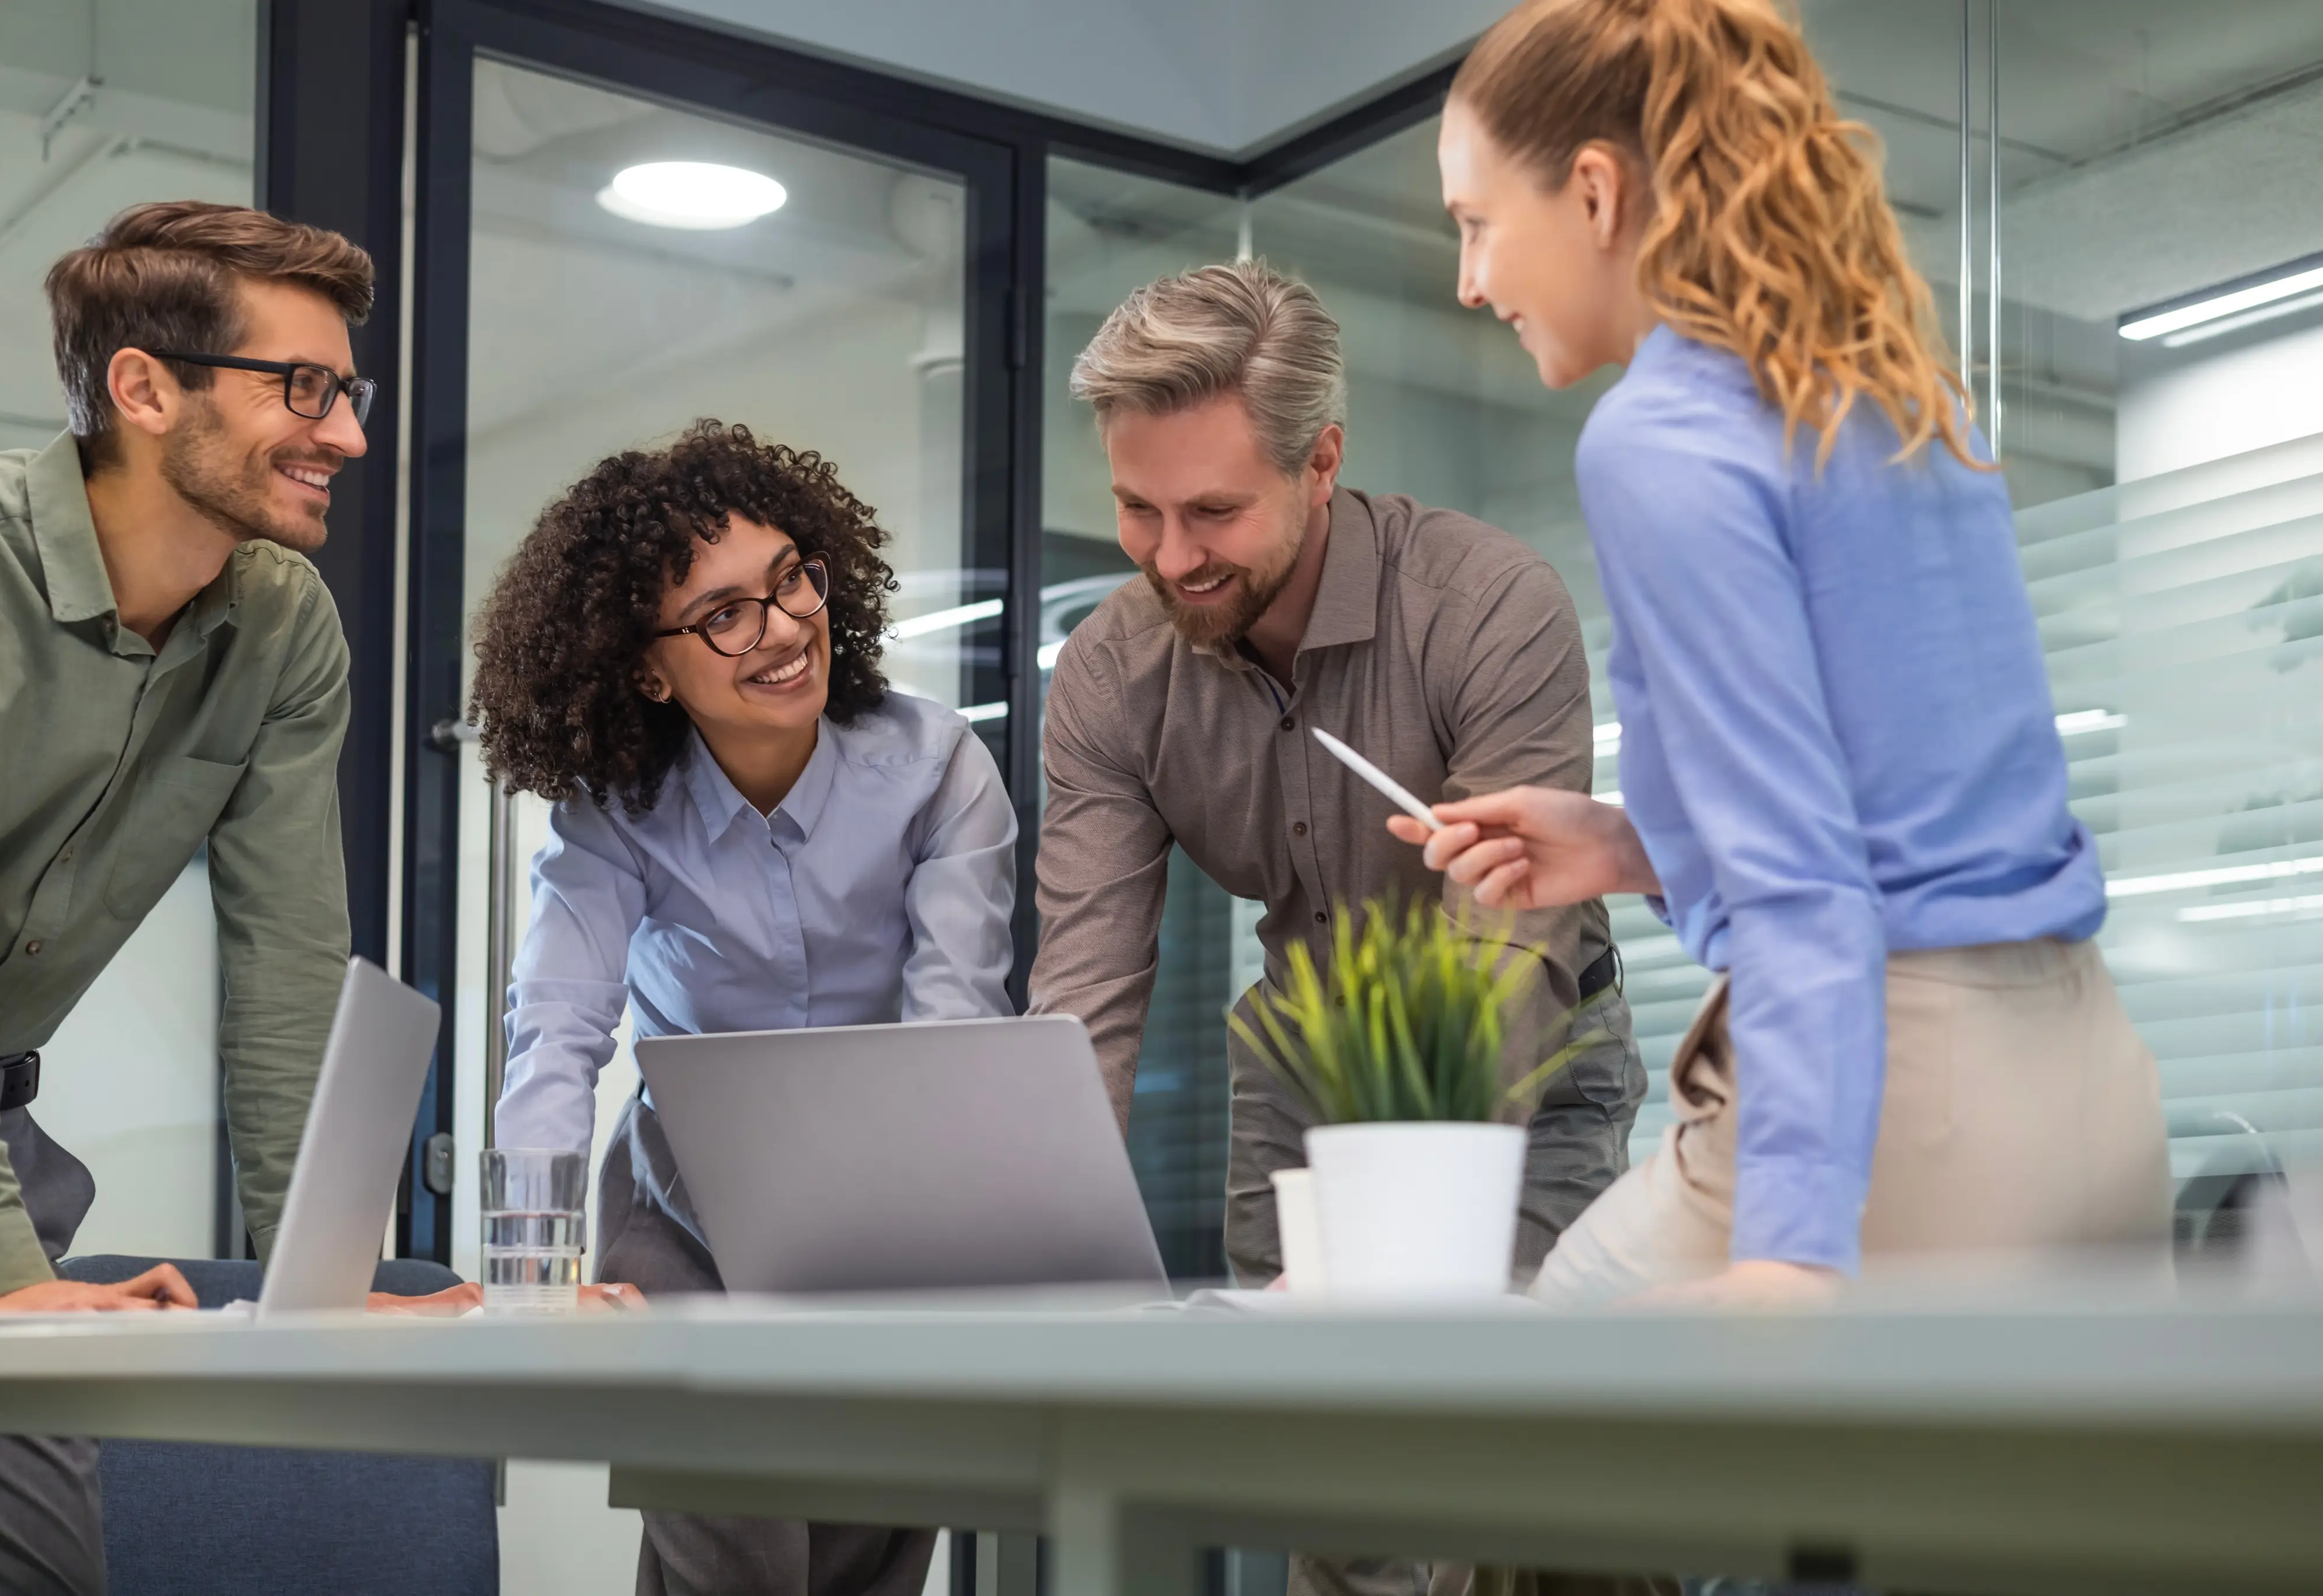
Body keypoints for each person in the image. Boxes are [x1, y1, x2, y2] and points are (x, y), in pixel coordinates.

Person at [1407, 0, 2171, 1309]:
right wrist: (1630, 843)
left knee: (1524, 1422)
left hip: (1904, 1116)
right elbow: (1914, 795)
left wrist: (1788, 1254)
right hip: (2092, 1096)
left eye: (1476, 224)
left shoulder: (1656, 440)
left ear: (1592, 192)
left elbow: (1806, 885)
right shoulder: (1890, 395)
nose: (1468, 282)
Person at [1027, 259, 1647, 1596]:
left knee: (1529, 1491)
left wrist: (1397, 1225)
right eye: (1135, 510)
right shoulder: (1107, 675)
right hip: (1300, 1074)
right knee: (1343, 1490)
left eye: (1211, 511)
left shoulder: (1486, 606)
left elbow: (1500, 951)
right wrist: (1028, 1241)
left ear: (1321, 462)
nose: (1169, 556)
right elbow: (1085, 991)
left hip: (1521, 1066)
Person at [472, 418, 1016, 1596]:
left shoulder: (935, 770)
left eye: (790, 581)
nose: (781, 628)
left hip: (887, 1224)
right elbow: (555, 1033)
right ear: (644, 666)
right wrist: (526, 1276)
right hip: (688, 1227)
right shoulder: (617, 813)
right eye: (724, 614)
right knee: (738, 1563)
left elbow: (950, 1032)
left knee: (866, 1565)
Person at [0, 200, 369, 1591]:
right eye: (301, 389)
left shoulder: (283, 626)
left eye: (347, 393)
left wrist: (327, 1282)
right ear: (142, 387)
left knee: (34, 1572)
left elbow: (292, 958)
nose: (345, 435)